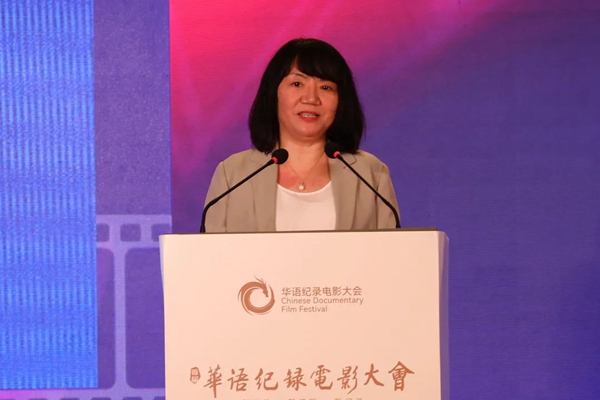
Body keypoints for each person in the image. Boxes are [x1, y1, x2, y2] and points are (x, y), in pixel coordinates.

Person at [203, 38, 400, 233]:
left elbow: (392, 251)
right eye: (297, 84)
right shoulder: (233, 175)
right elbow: (211, 251)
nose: (311, 98)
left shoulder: (371, 174)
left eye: (326, 87)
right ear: (274, 93)